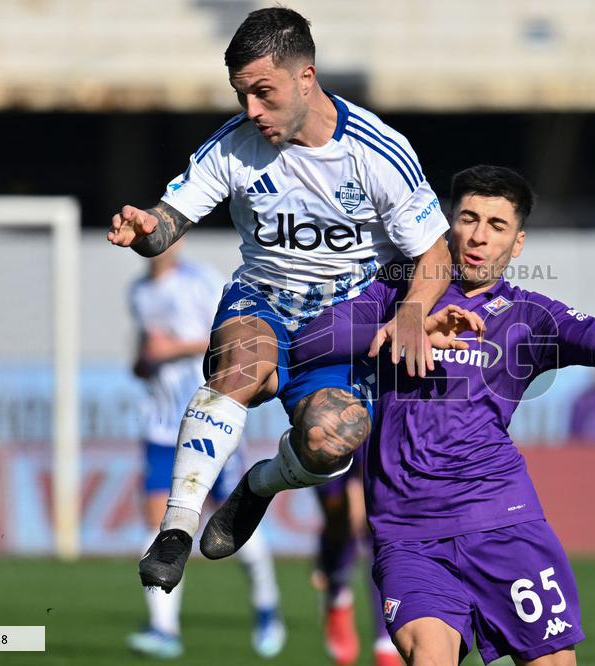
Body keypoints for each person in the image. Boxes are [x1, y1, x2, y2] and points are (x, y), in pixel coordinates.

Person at [289, 165, 595, 665]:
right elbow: (310, 342)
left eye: (496, 226)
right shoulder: (397, 294)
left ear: (518, 244)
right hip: (409, 534)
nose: (477, 236)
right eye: (468, 218)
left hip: (502, 524)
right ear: (447, 225)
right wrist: (409, 328)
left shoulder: (532, 317)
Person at [107, 7, 451, 592]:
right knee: (246, 366)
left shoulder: (376, 153)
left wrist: (414, 312)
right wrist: (145, 232)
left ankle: (259, 487)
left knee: (330, 438)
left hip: (344, 316)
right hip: (261, 295)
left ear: (306, 78)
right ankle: (177, 529)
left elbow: (435, 252)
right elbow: (167, 221)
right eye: (242, 96)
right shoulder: (234, 146)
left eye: (263, 93)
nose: (251, 111)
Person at [125, 243, 286, 659]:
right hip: (161, 426)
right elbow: (143, 356)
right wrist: (144, 361)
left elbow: (237, 340)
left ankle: (267, 608)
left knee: (230, 523)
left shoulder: (203, 283)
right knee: (158, 522)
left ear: (175, 240)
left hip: (211, 421)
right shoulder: (139, 292)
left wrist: (172, 349)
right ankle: (164, 630)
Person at [312, 449, 400, 666]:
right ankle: (337, 594)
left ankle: (385, 643)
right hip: (330, 431)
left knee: (379, 528)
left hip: (381, 427)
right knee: (339, 520)